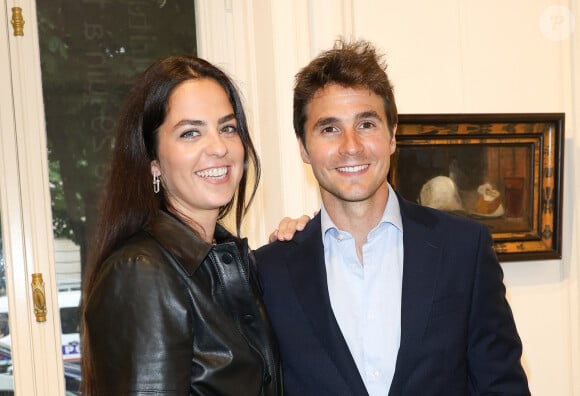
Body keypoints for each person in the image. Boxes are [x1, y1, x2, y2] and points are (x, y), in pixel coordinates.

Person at [256, 40, 530, 395]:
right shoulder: (268, 272)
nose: (351, 145)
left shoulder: (464, 249)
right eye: (329, 129)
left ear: (392, 135)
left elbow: (502, 387)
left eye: (366, 124)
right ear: (303, 148)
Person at [81, 55, 284, 395]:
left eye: (228, 128)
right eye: (191, 133)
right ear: (153, 161)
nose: (218, 147)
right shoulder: (141, 272)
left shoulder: (231, 262)